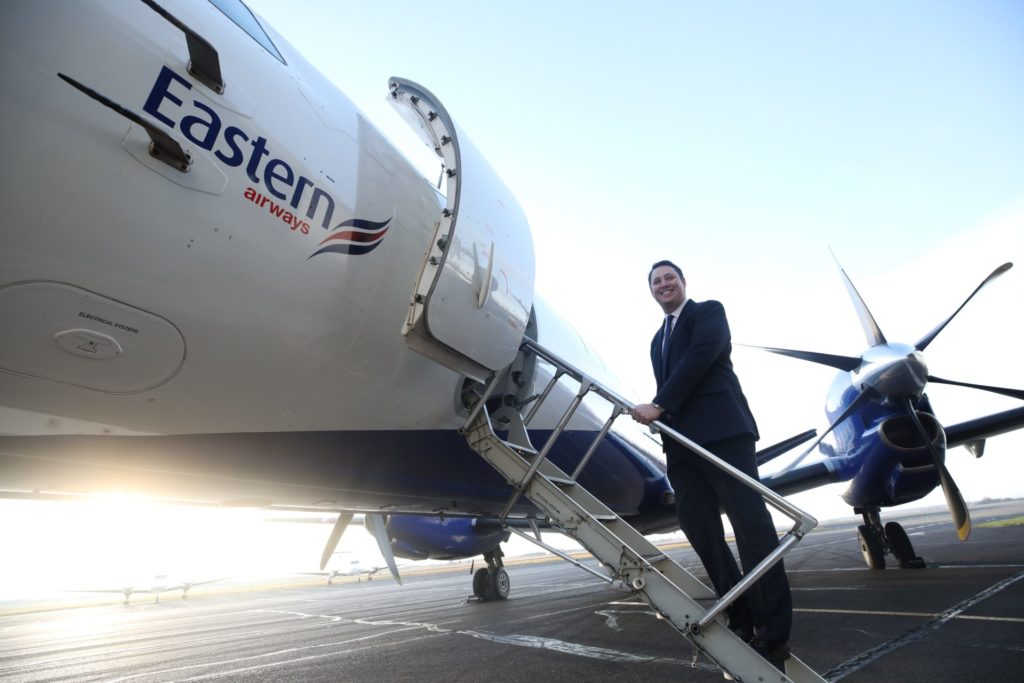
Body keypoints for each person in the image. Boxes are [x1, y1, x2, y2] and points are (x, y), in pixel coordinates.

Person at [631, 259, 792, 670]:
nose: (663, 285)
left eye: (670, 278)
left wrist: (661, 404)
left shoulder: (708, 313)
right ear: (651, 291)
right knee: (696, 523)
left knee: (750, 525)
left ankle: (773, 634)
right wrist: (662, 417)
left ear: (683, 283)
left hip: (723, 434)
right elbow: (671, 380)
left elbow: (700, 359)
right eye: (656, 282)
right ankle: (741, 615)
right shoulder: (656, 339)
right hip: (682, 445)